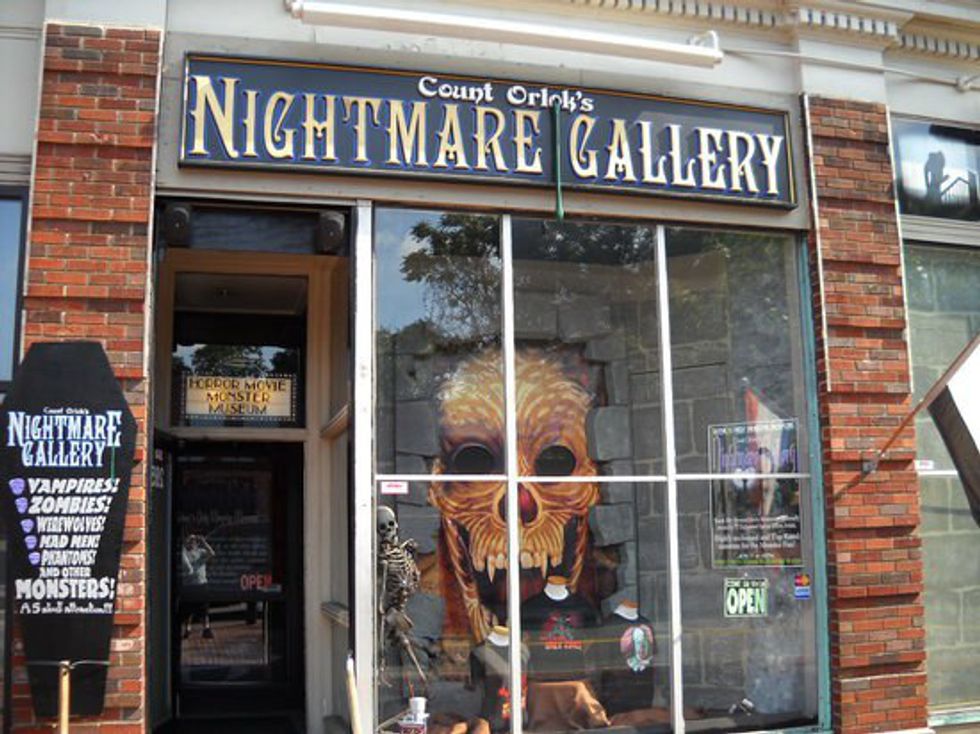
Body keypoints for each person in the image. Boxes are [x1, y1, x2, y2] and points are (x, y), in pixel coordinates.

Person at [181, 533, 216, 639]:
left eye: (194, 541)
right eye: (190, 541)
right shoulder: (184, 553)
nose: (192, 543)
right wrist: (185, 543)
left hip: (201, 584)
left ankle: (206, 629)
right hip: (189, 585)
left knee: (204, 609)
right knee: (188, 609)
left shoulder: (201, 552)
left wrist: (204, 542)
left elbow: (212, 554)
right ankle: (187, 629)